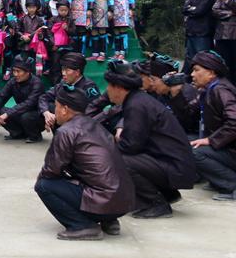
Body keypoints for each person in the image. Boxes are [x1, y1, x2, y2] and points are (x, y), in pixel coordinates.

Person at [34, 85, 136, 240]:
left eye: (56, 106)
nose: (55, 111)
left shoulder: (67, 131)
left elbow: (51, 169)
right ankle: (109, 220)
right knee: (85, 175)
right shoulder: (95, 125)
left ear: (64, 109)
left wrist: (44, 178)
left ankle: (83, 226)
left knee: (44, 185)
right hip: (124, 201)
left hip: (105, 200)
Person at [105, 61, 198, 218]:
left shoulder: (136, 105)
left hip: (175, 167)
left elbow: (131, 145)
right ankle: (167, 194)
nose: (107, 90)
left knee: (118, 159)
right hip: (173, 163)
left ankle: (155, 203)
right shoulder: (137, 100)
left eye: (109, 86)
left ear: (119, 88)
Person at [190, 51, 236, 201]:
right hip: (233, 149)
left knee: (195, 152)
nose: (192, 74)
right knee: (189, 143)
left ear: (211, 73)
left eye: (197, 70)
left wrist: (211, 140)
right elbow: (189, 110)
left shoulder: (221, 90)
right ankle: (220, 181)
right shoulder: (209, 89)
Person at [38, 52, 100, 134]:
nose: (63, 73)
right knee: (51, 106)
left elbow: (95, 110)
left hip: (82, 126)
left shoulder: (89, 87)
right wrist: (46, 113)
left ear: (77, 72)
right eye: (63, 69)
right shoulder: (63, 83)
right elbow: (44, 97)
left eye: (67, 70)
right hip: (65, 121)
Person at [0, 55, 46, 143]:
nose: (15, 74)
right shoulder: (13, 82)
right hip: (20, 112)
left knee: (26, 116)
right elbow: (0, 97)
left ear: (27, 72)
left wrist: (7, 114)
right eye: (14, 71)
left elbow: (28, 104)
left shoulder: (37, 83)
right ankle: (17, 133)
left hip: (37, 116)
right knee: (0, 110)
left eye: (18, 71)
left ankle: (35, 135)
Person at [182, 0, 215, 73]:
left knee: (203, 59)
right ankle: (189, 80)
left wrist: (191, 9)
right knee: (190, 58)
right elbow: (184, 9)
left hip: (203, 33)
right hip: (191, 32)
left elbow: (200, 10)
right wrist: (192, 9)